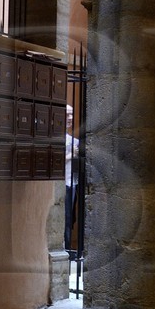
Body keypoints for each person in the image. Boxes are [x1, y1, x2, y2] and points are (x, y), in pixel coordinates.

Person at [64, 103, 81, 256]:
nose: (70, 117)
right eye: (67, 114)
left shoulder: (74, 141)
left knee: (70, 217)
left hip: (72, 182)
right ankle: (65, 249)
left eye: (71, 114)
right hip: (61, 183)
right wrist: (72, 154)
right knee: (64, 216)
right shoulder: (54, 138)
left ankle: (68, 248)